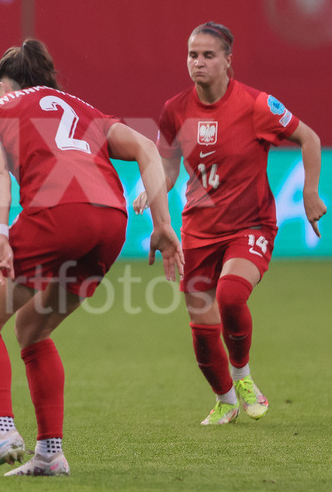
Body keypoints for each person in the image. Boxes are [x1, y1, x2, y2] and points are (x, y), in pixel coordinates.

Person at [0, 39, 183, 478]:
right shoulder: (84, 109)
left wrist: (0, 234)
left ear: (4, 84)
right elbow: (148, 151)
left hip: (58, 215)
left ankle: (0, 431)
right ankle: (50, 453)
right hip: (110, 224)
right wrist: (162, 223)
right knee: (32, 329)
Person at [133, 22, 326, 425]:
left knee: (231, 296)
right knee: (202, 331)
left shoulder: (257, 106)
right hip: (198, 230)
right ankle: (225, 400)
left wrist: (311, 193)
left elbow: (308, 137)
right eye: (192, 55)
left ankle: (243, 378)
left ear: (227, 61)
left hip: (250, 225)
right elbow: (167, 166)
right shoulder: (176, 110)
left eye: (208, 55)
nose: (198, 62)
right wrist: (152, 190)